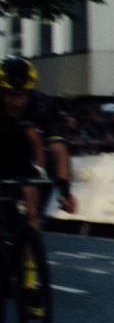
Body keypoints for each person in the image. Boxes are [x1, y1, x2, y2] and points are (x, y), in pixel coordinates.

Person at [1, 56, 76, 249]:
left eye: (22, 95)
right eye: (10, 95)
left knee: (31, 210)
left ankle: (30, 258)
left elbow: (58, 149)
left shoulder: (42, 105)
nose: (16, 103)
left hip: (22, 157)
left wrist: (64, 189)